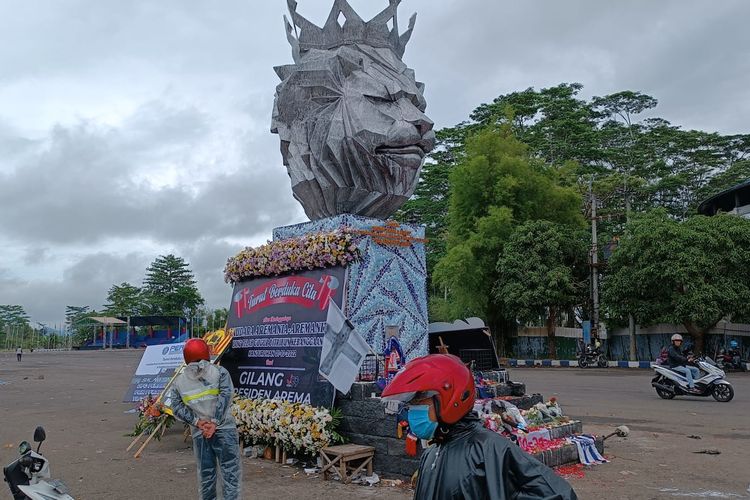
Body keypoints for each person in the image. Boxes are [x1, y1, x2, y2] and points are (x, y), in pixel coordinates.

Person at [382, 354, 577, 499]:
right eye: (411, 405)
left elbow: (558, 494)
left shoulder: (490, 449)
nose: (413, 411)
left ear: (450, 400)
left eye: (419, 402)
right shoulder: (432, 453)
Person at [169, 338, 241, 500]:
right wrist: (214, 423)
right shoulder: (220, 372)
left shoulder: (179, 382)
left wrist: (198, 422)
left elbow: (177, 408)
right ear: (207, 354)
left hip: (200, 433)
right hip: (225, 430)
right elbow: (226, 396)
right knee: (230, 475)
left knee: (206, 477)